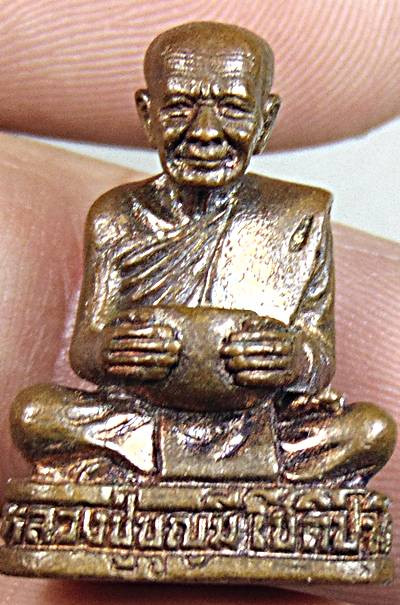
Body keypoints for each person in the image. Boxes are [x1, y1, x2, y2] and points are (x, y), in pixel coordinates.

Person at [0, 3, 399, 605]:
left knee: (369, 430)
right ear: (147, 113)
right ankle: (205, 500)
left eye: (233, 108)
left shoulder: (300, 215)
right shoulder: (116, 217)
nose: (206, 131)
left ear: (266, 118)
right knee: (36, 415)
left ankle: (147, 499)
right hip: (141, 423)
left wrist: (290, 357)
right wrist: (115, 349)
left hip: (257, 425)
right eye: (180, 106)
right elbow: (86, 347)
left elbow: (319, 354)